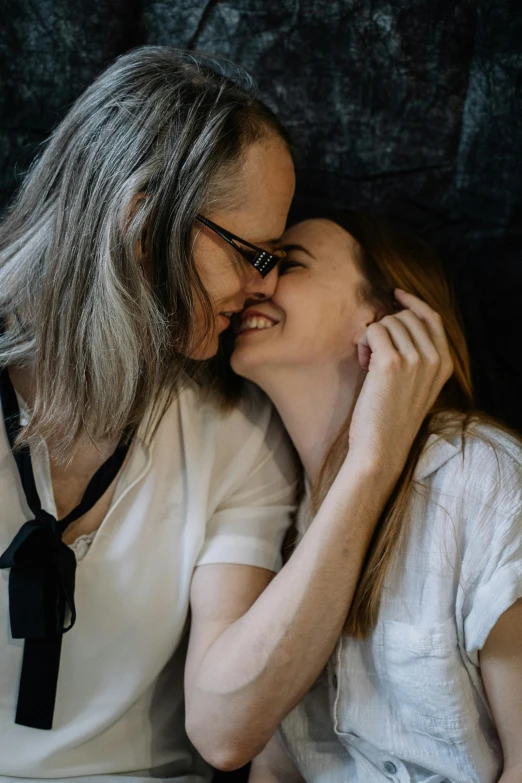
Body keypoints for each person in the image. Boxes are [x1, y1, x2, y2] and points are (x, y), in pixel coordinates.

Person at [0, 47, 451, 782]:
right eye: (252, 253)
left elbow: (227, 726)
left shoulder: (235, 431)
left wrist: (369, 464)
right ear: (144, 228)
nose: (259, 286)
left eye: (279, 259)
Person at [234, 212, 522, 783]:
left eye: (287, 264)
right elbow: (272, 769)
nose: (255, 281)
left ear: (385, 320)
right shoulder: (264, 505)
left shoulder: (479, 477)